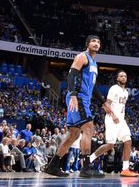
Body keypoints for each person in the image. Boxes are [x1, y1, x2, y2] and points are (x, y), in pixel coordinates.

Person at [44, 35, 113, 178]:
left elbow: (93, 87)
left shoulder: (94, 64)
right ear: (87, 44)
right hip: (78, 97)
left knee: (74, 134)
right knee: (88, 127)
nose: (96, 43)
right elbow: (71, 75)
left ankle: (52, 166)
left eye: (99, 42)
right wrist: (73, 95)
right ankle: (86, 167)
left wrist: (103, 102)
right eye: (93, 41)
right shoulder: (82, 57)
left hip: (84, 98)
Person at [87, 70, 138, 177]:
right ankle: (89, 160)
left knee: (128, 141)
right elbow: (106, 104)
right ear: (117, 78)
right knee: (110, 145)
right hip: (111, 118)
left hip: (121, 120)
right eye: (121, 76)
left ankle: (125, 169)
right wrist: (113, 115)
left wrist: (120, 118)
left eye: (125, 76)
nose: (123, 77)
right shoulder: (114, 88)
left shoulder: (125, 92)